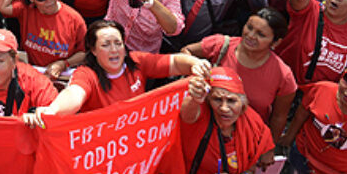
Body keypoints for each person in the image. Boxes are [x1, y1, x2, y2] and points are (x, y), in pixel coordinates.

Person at [23, 20, 210, 124]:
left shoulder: (136, 61)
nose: (114, 50)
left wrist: (195, 63)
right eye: (105, 45)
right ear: (94, 51)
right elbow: (74, 95)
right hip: (105, 147)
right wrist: (52, 111)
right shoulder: (86, 74)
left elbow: (175, 63)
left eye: (118, 43)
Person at [182, 8, 297, 144]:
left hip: (245, 141)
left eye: (261, 34)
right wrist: (197, 69)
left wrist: (268, 147)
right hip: (202, 128)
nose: (251, 35)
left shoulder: (283, 75)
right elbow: (186, 51)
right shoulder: (220, 45)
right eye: (249, 27)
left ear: (276, 42)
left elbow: (279, 117)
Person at [179, 67, 275, 174]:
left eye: (231, 101)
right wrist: (195, 97)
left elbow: (252, 169)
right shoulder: (201, 114)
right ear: (208, 101)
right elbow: (187, 115)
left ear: (242, 104)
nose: (224, 108)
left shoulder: (252, 123)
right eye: (217, 99)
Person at [1, 0, 87, 77]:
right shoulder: (26, 9)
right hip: (30, 72)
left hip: (59, 76)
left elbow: (84, 53)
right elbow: (2, 6)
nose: (50, 1)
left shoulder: (75, 19)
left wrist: (63, 64)